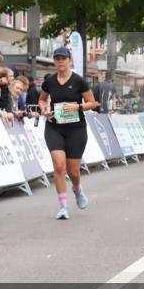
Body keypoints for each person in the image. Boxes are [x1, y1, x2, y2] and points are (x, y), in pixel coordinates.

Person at [39, 46, 98, 220]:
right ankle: (63, 206)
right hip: (54, 127)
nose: (60, 61)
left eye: (63, 58)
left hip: (76, 129)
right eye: (57, 58)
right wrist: (44, 110)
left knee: (73, 171)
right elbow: (42, 99)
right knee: (58, 166)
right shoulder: (49, 81)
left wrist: (78, 106)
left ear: (69, 60)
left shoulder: (79, 81)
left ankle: (77, 189)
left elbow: (92, 103)